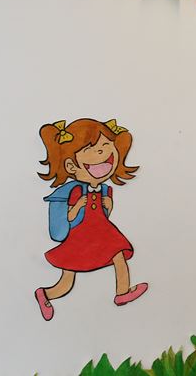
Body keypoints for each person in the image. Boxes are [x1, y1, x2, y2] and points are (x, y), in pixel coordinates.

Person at [34, 118, 147, 321]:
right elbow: (68, 217)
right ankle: (46, 294)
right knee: (67, 281)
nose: (103, 152)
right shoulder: (74, 190)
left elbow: (102, 214)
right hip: (80, 238)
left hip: (101, 233)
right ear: (70, 165)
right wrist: (77, 206)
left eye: (106, 146)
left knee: (119, 255)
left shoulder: (104, 189)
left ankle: (122, 293)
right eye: (93, 148)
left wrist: (108, 206)